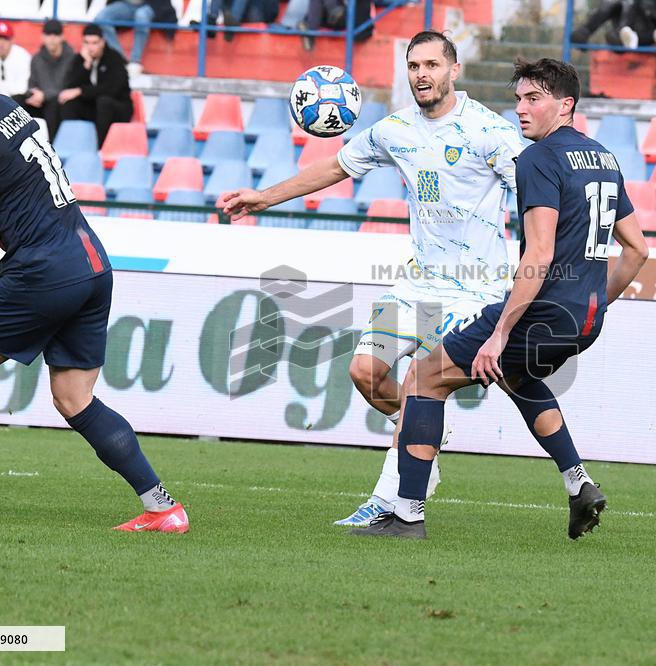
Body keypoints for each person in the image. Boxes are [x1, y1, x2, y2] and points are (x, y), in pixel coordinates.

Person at [221, 31, 525, 528]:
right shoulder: (395, 129)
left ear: (454, 70)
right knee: (364, 371)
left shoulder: (491, 131)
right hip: (416, 283)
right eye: (414, 66)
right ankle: (421, 431)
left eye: (432, 65)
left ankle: (386, 500)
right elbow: (335, 167)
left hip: (476, 287)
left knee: (418, 381)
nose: (422, 75)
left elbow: (536, 201)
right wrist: (264, 197)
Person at [350, 57, 649, 540]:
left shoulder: (537, 159)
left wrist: (500, 332)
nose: (521, 109)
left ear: (566, 105)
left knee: (424, 379)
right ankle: (579, 484)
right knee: (519, 377)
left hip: (538, 309)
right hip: (585, 319)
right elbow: (637, 250)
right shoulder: (604, 159)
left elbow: (540, 255)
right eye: (518, 99)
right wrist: (594, 304)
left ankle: (405, 516)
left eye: (533, 99)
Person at [0, 30, 188, 533]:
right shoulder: (2, 108)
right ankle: (163, 507)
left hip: (43, 269)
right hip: (90, 262)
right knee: (75, 398)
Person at [59, 23, 134, 145]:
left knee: (103, 102)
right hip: (94, 108)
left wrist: (81, 91)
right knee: (69, 104)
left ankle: (99, 147)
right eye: (87, 43)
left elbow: (112, 89)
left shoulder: (114, 58)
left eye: (94, 43)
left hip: (118, 107)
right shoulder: (80, 59)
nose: (90, 47)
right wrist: (86, 65)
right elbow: (70, 86)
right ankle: (70, 145)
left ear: (102, 42)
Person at [21, 19, 76, 141]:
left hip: (60, 104)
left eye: (55, 34)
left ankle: (53, 144)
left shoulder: (72, 58)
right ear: (43, 37)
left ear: (62, 37)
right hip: (40, 102)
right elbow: (32, 83)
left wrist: (44, 95)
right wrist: (33, 93)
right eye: (48, 34)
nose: (52, 38)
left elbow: (66, 88)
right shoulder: (37, 58)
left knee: (54, 104)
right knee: (17, 101)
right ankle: (17, 143)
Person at [94, 0, 178, 76]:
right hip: (125, 4)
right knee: (101, 18)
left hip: (152, 4)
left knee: (141, 16)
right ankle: (121, 60)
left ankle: (135, 62)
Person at [0, 22, 31, 100]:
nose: (1, 43)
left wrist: (3, 91)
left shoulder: (23, 56)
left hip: (17, 100)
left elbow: (22, 88)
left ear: (12, 40)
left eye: (5, 39)